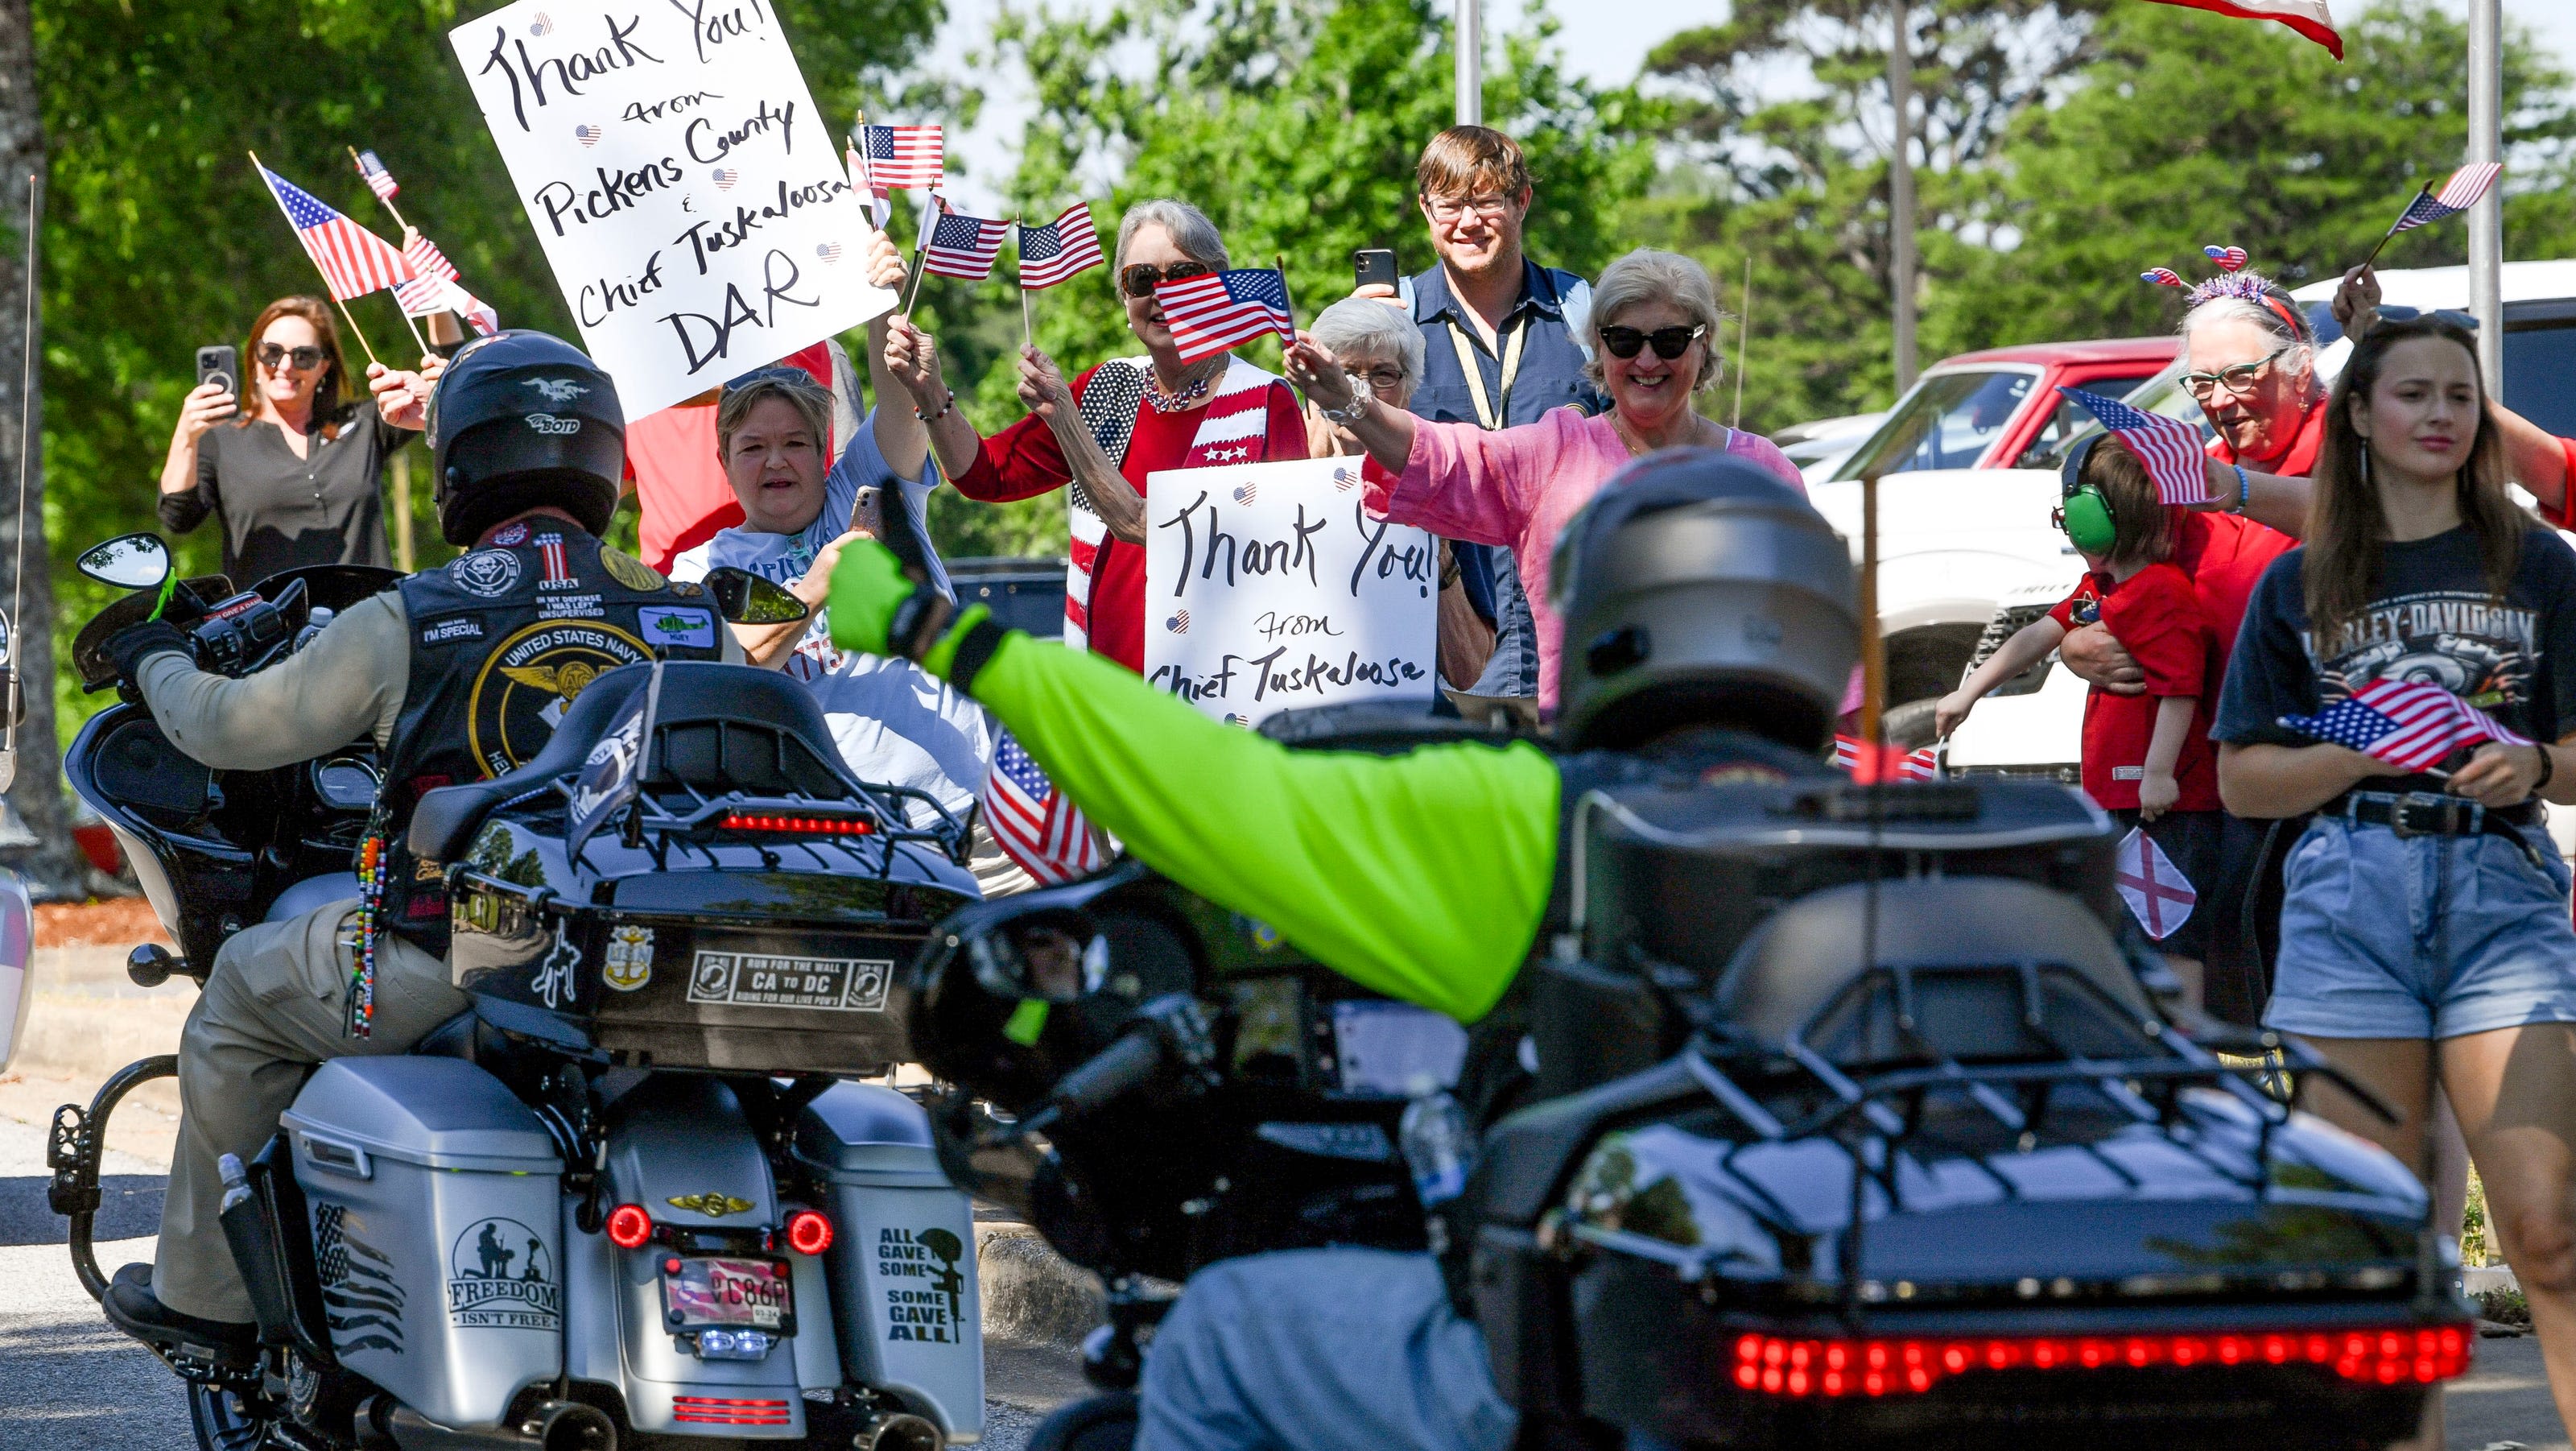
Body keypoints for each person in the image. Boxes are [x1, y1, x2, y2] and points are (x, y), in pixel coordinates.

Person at [829, 448, 1855, 1451]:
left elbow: (1197, 783)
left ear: (1597, 626)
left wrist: (931, 626)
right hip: (1869, 1323)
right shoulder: (1910, 820)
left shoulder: (1529, 818)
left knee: (1218, 1329)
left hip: (1605, 1365)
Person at [96, 331, 738, 1354]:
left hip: (453, 960)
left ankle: (208, 1302)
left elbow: (228, 727)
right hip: (651, 960)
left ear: (459, 463)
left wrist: (154, 654)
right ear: (604, 459)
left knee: (235, 1003)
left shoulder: (416, 614)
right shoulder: (689, 614)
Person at [2214, 314, 2576, 1435]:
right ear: (2360, 416)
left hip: (2500, 893)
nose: (2440, 415)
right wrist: (2361, 747)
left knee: (2550, 1225)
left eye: (2458, 396)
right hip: (2347, 901)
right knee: (2369, 1249)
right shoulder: (2300, 582)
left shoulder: (2539, 563)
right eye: (2413, 394)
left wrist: (2533, 759)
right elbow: (2240, 780)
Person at [1284, 246, 1802, 713]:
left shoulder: (1762, 471)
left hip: (1738, 755)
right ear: (1598, 348)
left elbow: (1813, 631)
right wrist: (1347, 399)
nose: (1646, 360)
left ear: (1703, 341)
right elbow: (1440, 455)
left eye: (1668, 340)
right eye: (1624, 340)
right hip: (1598, 756)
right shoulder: (1554, 452)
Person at [666, 231, 1023, 897]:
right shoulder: (700, 568)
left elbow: (899, 401)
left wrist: (875, 296)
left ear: (824, 450)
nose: (776, 461)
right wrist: (815, 586)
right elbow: (726, 670)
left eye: (796, 442)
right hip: (841, 845)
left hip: (980, 821)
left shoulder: (858, 486)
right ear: (724, 463)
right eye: (754, 447)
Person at [882, 198, 1308, 673]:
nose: (1163, 294)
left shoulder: (1267, 401)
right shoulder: (1107, 387)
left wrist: (1065, 418)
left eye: (1183, 275)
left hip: (1222, 683)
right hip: (1106, 685)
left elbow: (1285, 559)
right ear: (1125, 300)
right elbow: (986, 475)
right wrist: (931, 388)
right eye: (1142, 279)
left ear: (1219, 284)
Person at [1938, 434, 2223, 986]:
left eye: (2070, 514)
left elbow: (2179, 689)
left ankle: (2182, 1053)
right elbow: (2039, 635)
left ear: (2095, 518)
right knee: (2127, 938)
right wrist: (1969, 692)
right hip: (2123, 799)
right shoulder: (2103, 586)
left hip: (2164, 808)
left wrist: (2159, 774)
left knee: (2169, 939)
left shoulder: (2161, 593)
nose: (2066, 525)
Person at [1364, 125, 1609, 704]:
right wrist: (1354, 355)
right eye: (1449, 205)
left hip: (1574, 649)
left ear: (1522, 201)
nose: (1468, 222)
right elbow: (1338, 463)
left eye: (1486, 201)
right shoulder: (1393, 326)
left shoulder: (1586, 312)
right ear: (1426, 210)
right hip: (1437, 656)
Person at [159, 296, 427, 582]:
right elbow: (178, 518)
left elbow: (454, 389)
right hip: (271, 622)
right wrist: (186, 437)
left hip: (368, 617)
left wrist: (431, 293)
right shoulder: (220, 439)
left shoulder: (361, 425)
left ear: (323, 367)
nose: (285, 366)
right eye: (272, 352)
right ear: (254, 357)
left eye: (304, 356)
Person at [1304, 297, 1494, 692]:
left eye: (1383, 375)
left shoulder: (1445, 480)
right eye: (1343, 373)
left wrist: (1438, 553)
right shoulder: (1278, 474)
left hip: (1400, 724)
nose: (1360, 391)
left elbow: (1468, 669)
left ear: (1409, 389)